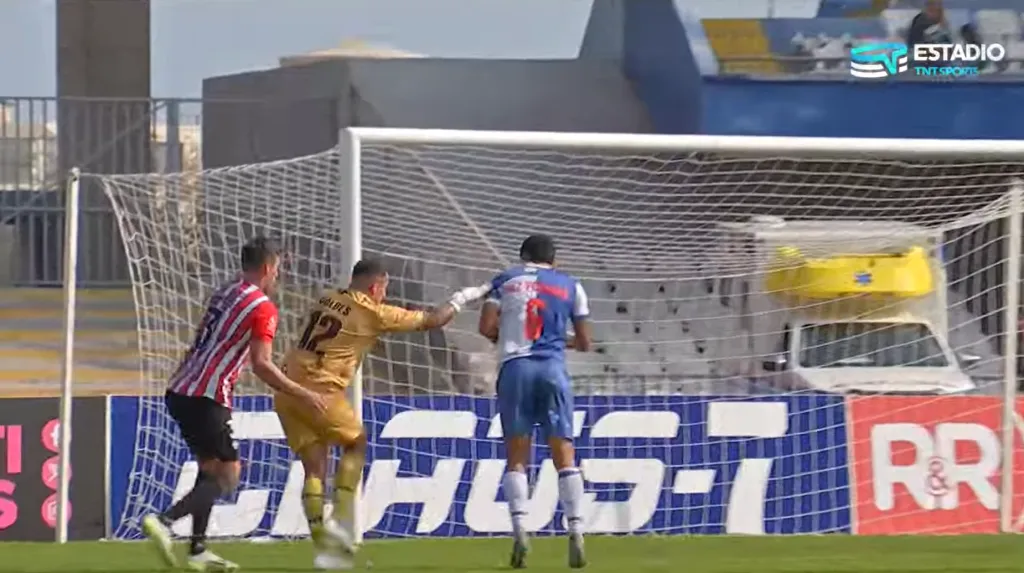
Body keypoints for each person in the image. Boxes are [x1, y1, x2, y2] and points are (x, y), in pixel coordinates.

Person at [275, 258, 490, 570]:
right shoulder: (373, 312)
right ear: (376, 286)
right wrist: (463, 297)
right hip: (319, 392)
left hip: (286, 389)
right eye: (384, 288)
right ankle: (340, 519)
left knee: (314, 467)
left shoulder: (326, 297)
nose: (384, 294)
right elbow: (433, 319)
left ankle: (323, 542)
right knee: (356, 443)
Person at [141, 236, 326, 572]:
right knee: (228, 475)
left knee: (208, 469)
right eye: (278, 270)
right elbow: (262, 364)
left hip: (180, 389)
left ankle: (197, 551)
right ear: (269, 268)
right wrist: (304, 393)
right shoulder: (264, 308)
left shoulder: (224, 292)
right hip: (208, 396)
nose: (278, 276)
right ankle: (166, 521)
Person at [478, 234, 593, 569]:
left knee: (517, 455)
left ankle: (520, 532)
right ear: (553, 260)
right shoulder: (571, 285)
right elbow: (586, 342)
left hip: (515, 369)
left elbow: (486, 327)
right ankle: (576, 529)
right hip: (552, 370)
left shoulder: (505, 280)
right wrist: (559, 340)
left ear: (522, 257)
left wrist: (511, 337)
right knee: (564, 452)